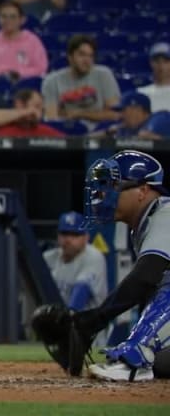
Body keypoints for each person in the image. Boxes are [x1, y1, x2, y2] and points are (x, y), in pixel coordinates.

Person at [50, 150, 170, 381]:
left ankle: (134, 360)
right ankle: (141, 358)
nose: (104, 195)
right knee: (161, 363)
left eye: (115, 186)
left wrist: (95, 320)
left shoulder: (165, 214)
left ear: (143, 191)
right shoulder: (145, 224)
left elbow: (145, 276)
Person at [41, 34, 121, 127]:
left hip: (99, 134)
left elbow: (114, 115)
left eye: (90, 56)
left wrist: (79, 113)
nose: (87, 60)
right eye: (82, 55)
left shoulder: (104, 75)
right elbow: (52, 120)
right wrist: (99, 114)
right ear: (70, 57)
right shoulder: (52, 81)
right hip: (66, 135)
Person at [43, 212, 107, 313]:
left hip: (89, 325)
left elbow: (81, 293)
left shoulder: (93, 257)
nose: (68, 239)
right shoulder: (50, 257)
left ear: (86, 237)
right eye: (64, 234)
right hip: (62, 323)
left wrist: (66, 320)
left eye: (75, 234)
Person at [0, 1, 48, 81]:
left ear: (22, 20)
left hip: (24, 86)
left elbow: (41, 68)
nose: (8, 20)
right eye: (4, 16)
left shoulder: (33, 41)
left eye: (13, 17)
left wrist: (19, 74)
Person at [0, 88, 64, 137]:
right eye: (37, 106)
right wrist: (26, 112)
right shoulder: (1, 130)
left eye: (41, 108)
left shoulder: (46, 131)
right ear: (20, 105)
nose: (40, 112)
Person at [105, 92, 170, 140]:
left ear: (137, 110)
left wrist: (156, 138)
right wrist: (108, 132)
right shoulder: (128, 128)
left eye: (124, 110)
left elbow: (146, 135)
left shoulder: (160, 119)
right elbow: (95, 139)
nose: (121, 114)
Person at [139, 43, 170, 113]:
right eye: (157, 61)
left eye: (166, 61)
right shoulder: (141, 93)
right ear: (151, 63)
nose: (161, 66)